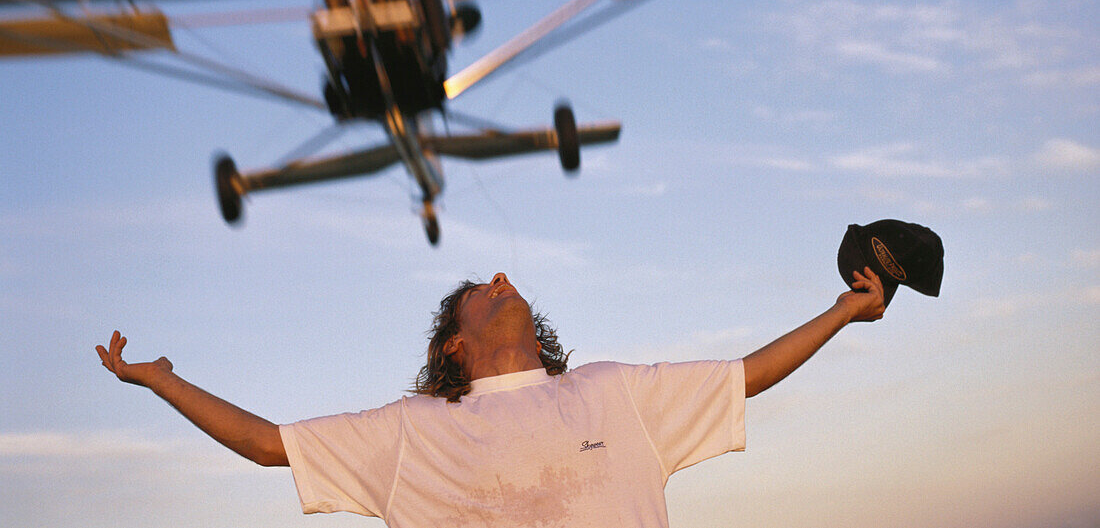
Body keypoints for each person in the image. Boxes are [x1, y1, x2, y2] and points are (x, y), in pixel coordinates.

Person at [96, 267, 886, 527]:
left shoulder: (613, 391)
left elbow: (747, 373)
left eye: (504, 282)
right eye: (482, 286)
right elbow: (271, 444)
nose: (502, 277)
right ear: (453, 345)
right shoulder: (412, 430)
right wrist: (162, 379)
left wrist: (847, 309)